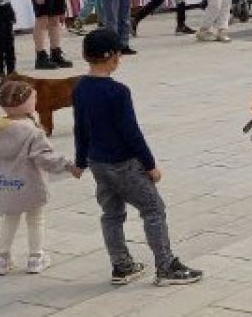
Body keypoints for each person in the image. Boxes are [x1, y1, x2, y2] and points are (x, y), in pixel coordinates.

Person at [72, 29, 203, 286]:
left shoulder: (80, 88)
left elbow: (80, 128)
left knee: (111, 214)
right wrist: (150, 165)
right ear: (112, 57)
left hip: (97, 162)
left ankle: (121, 265)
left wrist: (79, 161)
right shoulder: (118, 91)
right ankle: (165, 266)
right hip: (124, 163)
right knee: (153, 209)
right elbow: (131, 132)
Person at [0, 80, 79, 275]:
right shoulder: (33, 132)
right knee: (36, 219)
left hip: (6, 186)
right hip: (30, 186)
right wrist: (68, 165)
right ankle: (36, 257)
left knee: (10, 220)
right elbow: (45, 158)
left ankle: (2, 258)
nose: (35, 101)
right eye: (33, 98)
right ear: (25, 103)